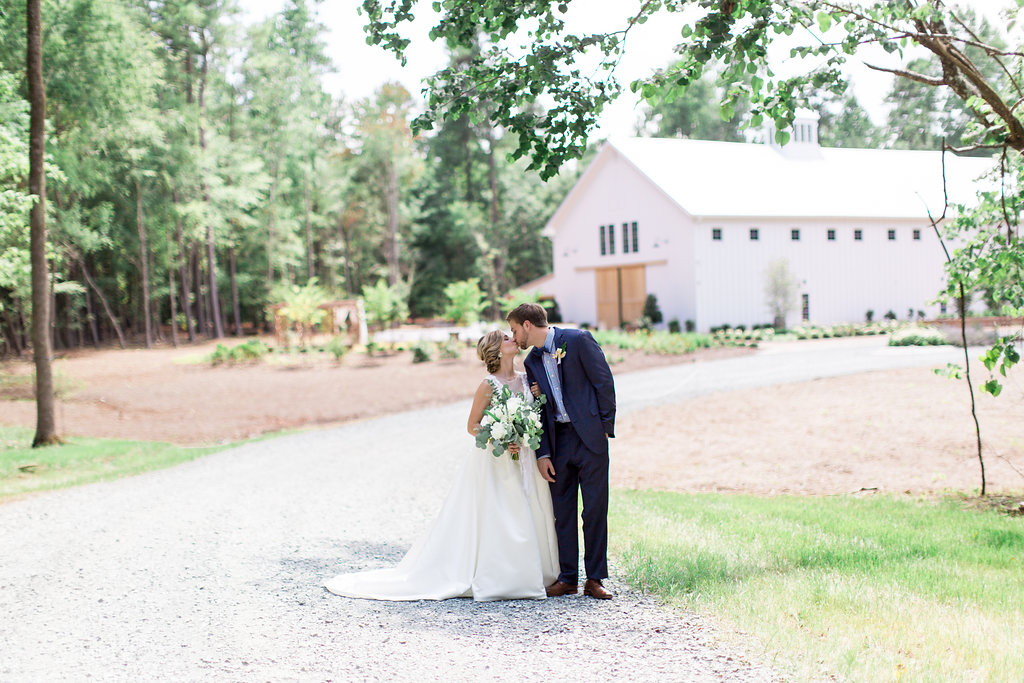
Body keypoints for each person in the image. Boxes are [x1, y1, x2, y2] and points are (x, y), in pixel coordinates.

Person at [324, 330, 558, 601]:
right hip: (498, 462)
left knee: (530, 509)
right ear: (495, 350)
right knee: (502, 513)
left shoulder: (528, 379)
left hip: (525, 459)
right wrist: (502, 440)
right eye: (506, 338)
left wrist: (530, 418)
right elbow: (472, 426)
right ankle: (504, 575)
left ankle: (532, 573)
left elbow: (537, 412)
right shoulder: (488, 385)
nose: (513, 339)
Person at [507, 303, 616, 600]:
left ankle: (594, 579)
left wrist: (605, 427)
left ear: (528, 324)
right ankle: (568, 578)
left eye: (515, 330)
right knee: (562, 513)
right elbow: (538, 409)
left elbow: (603, 381)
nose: (514, 337)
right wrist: (542, 453)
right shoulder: (532, 361)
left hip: (591, 439)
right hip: (559, 443)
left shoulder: (578, 340)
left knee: (594, 509)